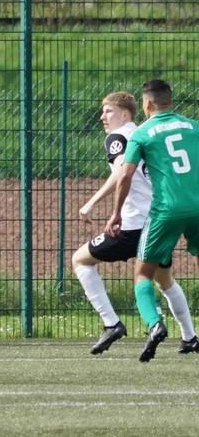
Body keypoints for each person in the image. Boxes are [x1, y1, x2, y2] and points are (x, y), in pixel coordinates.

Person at [75, 91, 196, 355]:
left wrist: (92, 202)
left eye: (108, 111)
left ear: (125, 114)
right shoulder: (147, 133)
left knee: (80, 260)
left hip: (132, 226)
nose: (102, 117)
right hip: (159, 222)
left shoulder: (117, 137)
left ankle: (111, 323)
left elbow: (122, 171)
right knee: (164, 280)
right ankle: (189, 337)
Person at [107, 79, 199, 362]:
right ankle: (189, 336)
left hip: (166, 210)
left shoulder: (142, 133)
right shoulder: (193, 127)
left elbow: (125, 175)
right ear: (170, 100)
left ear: (146, 103)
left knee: (143, 274)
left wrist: (116, 213)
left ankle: (155, 324)